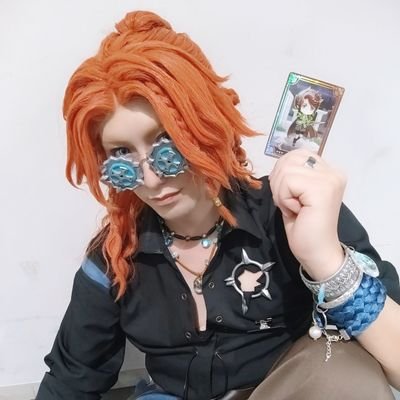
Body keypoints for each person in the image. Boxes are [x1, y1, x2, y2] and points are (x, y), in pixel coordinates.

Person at [36, 10, 400, 400]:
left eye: (166, 145)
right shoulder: (116, 256)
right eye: (121, 157)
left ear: (206, 126)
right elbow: (72, 377)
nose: (152, 179)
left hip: (283, 389)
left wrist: (325, 259)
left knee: (344, 375)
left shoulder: (291, 213)